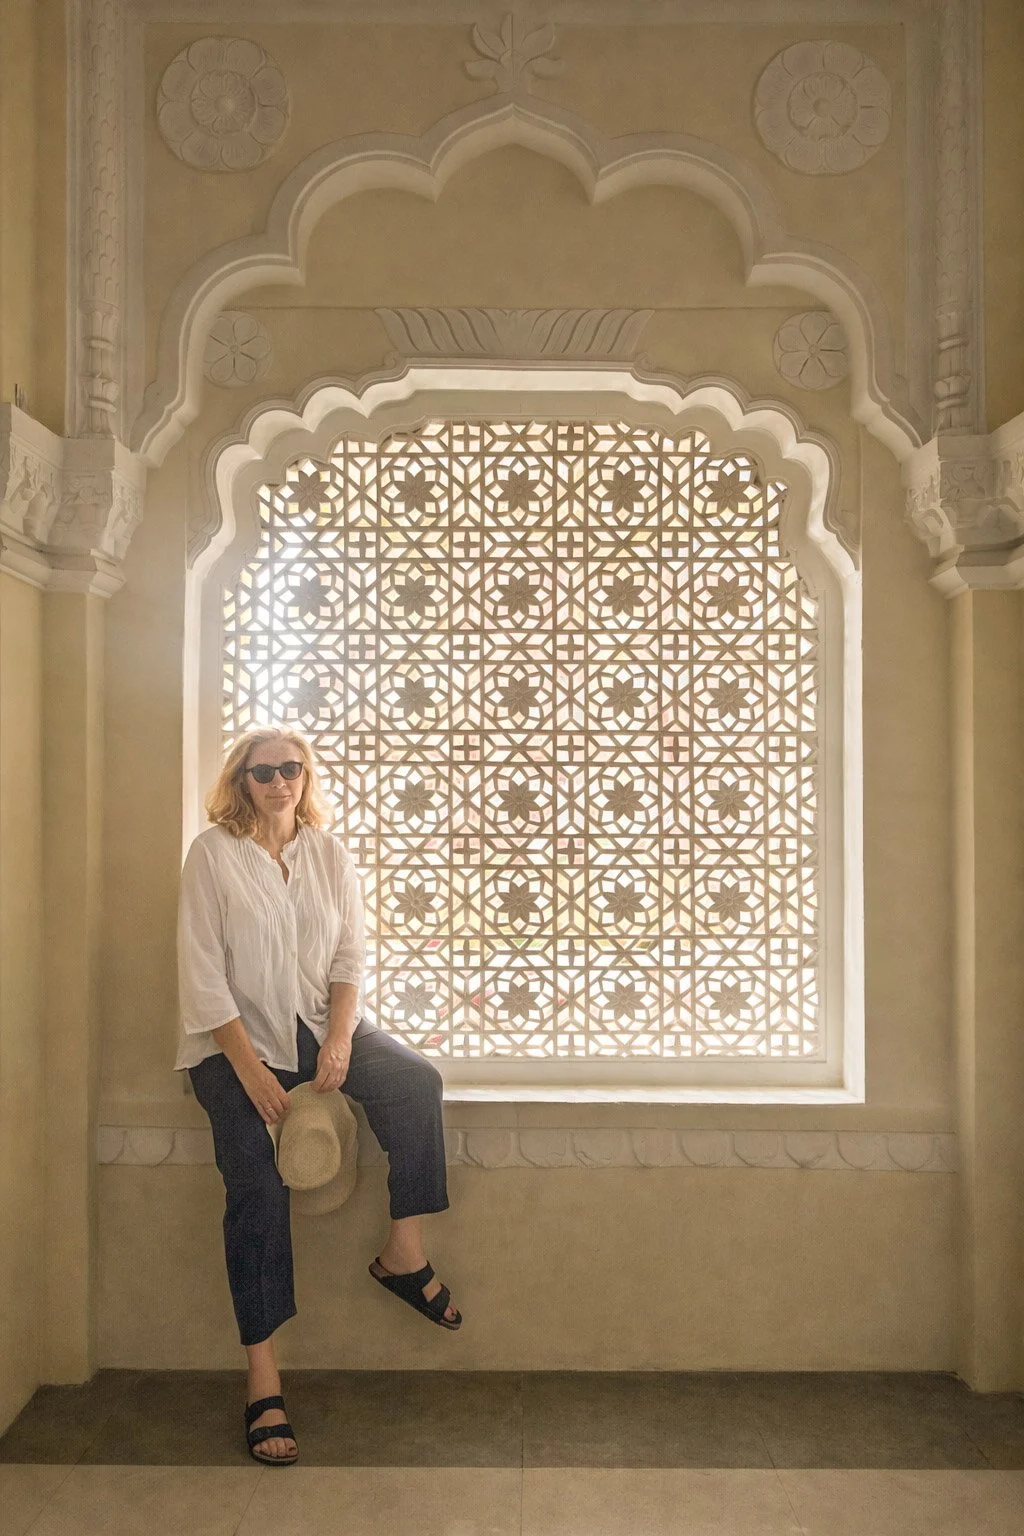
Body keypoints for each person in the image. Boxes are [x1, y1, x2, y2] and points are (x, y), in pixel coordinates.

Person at [175, 725, 460, 1466]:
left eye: (290, 769)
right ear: (241, 781)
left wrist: (339, 1042)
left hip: (316, 1025)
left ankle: (403, 1253)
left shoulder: (328, 854)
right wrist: (249, 1071)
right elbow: (202, 974)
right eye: (262, 771)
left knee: (414, 1082)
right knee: (256, 1187)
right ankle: (263, 1380)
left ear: (306, 776)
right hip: (227, 1044)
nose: (277, 782)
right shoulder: (212, 854)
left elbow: (348, 958)